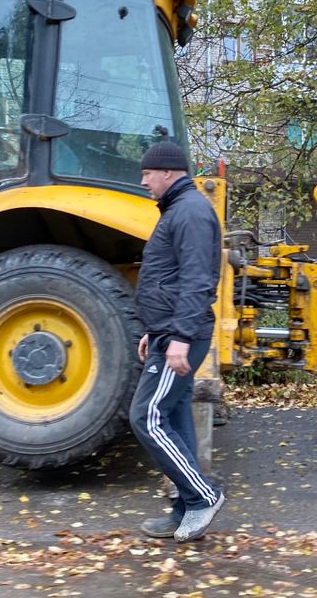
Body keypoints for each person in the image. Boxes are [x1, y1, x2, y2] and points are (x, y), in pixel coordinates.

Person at [129, 141, 225, 542]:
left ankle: (203, 497)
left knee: (146, 416)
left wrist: (180, 337)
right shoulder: (179, 210)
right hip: (169, 330)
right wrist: (156, 328)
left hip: (183, 334)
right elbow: (170, 278)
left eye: (147, 173)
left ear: (168, 172)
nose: (144, 180)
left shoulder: (189, 212)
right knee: (174, 415)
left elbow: (198, 279)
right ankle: (185, 508)